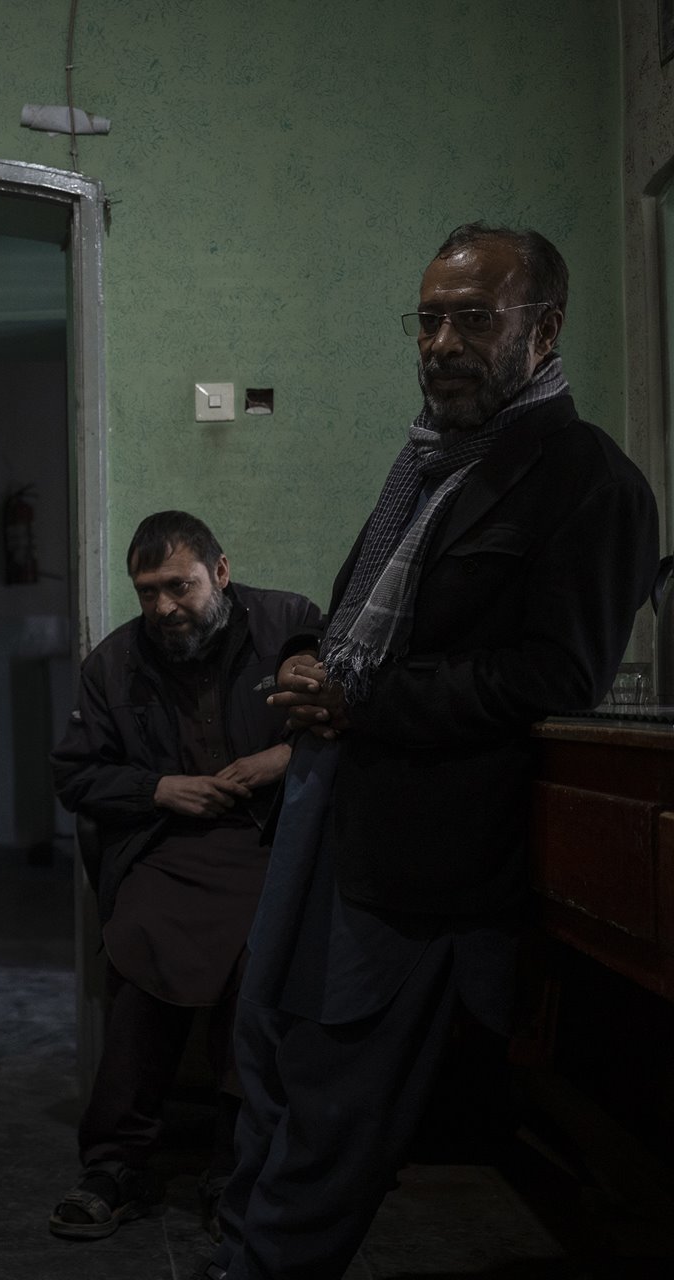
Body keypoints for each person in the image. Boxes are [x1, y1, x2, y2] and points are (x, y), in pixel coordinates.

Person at [211, 224, 660, 1280]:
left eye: (473, 318)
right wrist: (316, 656)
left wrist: (359, 699)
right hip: (337, 801)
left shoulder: (588, 479)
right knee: (267, 1041)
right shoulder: (428, 457)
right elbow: (372, 614)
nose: (443, 342)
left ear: (543, 331)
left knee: (335, 1092)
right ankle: (243, 1247)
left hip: (428, 849)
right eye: (429, 318)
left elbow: (552, 678)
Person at [48, 511, 321, 1243]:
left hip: (270, 842)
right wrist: (159, 790)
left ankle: (237, 1165)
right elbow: (75, 775)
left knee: (254, 962)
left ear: (220, 573)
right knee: (141, 951)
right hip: (166, 846)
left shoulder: (288, 622)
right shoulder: (113, 663)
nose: (164, 607)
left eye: (180, 586)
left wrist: (282, 760)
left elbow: (344, 719)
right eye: (147, 592)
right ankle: (114, 1163)